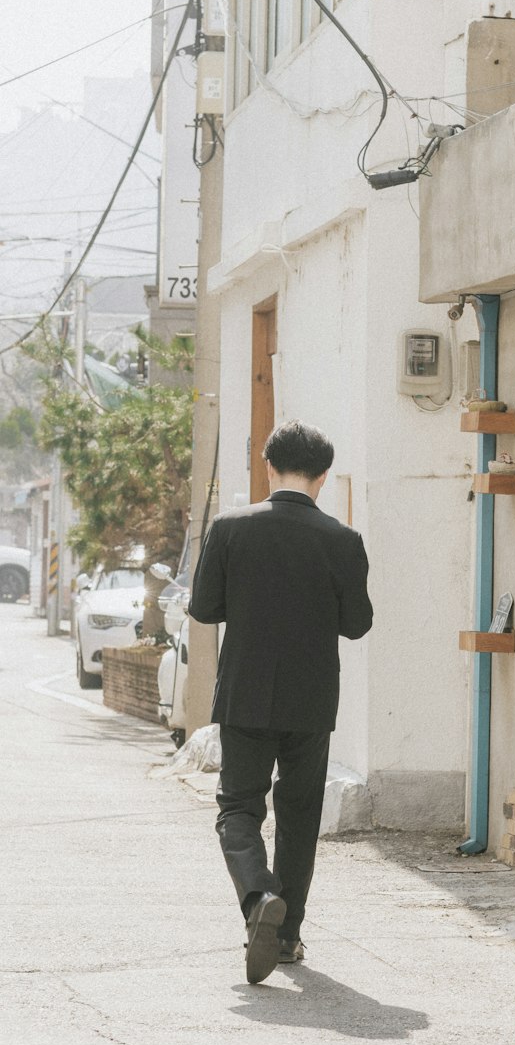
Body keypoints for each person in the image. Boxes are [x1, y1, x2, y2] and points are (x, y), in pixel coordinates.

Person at [189, 419, 373, 984]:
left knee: (238, 809)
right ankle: (287, 935)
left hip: (245, 694)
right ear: (323, 474)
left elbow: (202, 608)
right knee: (299, 816)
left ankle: (257, 898)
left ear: (268, 466)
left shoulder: (229, 528)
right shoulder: (342, 539)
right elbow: (358, 624)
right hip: (312, 699)